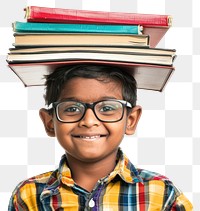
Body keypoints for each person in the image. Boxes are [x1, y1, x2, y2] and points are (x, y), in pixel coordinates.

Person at [8, 64, 193, 210]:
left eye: (107, 108)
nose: (89, 121)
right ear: (49, 122)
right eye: (72, 108)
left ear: (131, 120)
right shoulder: (29, 195)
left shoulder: (162, 194)